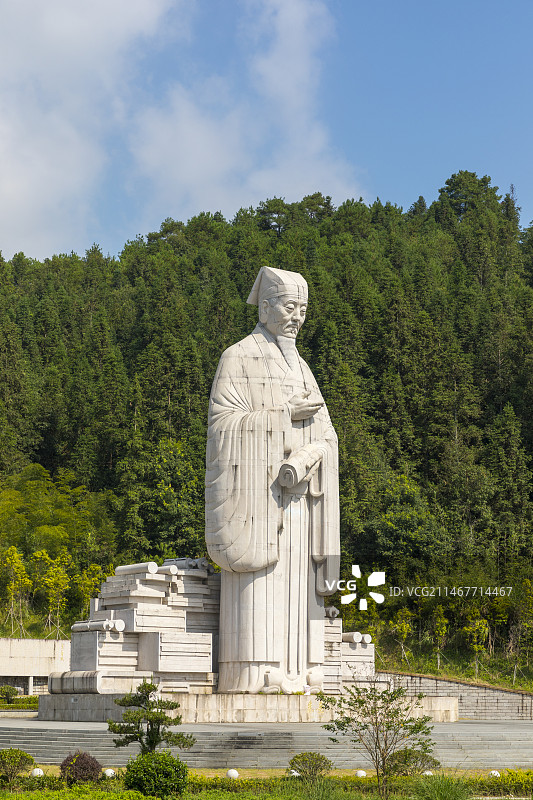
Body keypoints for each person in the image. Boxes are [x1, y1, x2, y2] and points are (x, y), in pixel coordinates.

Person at [205, 266, 340, 693]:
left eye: (302, 308)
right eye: (288, 306)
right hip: (259, 504)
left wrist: (313, 452)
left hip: (300, 501)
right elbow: (222, 426)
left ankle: (301, 667)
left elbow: (329, 433)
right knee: (263, 583)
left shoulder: (303, 367)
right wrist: (284, 418)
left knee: (298, 586)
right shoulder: (238, 356)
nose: (297, 316)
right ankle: (257, 670)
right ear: (265, 308)